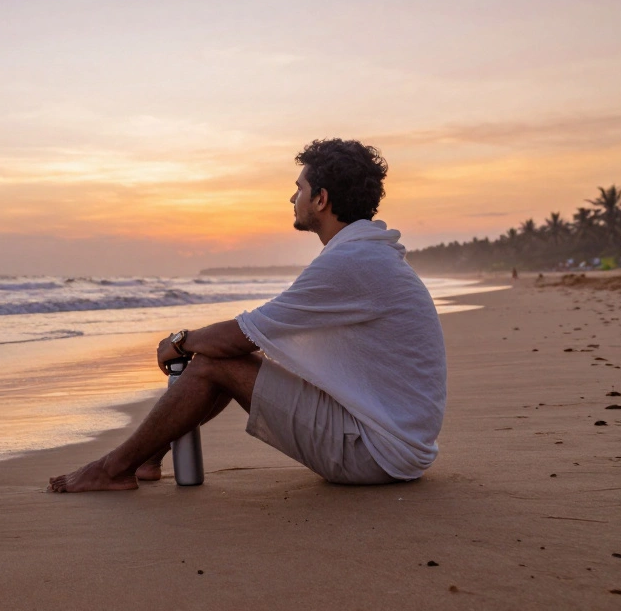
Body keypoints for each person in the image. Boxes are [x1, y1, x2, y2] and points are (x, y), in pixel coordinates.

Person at [48, 139, 446, 492]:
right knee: (222, 357)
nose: (292, 199)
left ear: (321, 199)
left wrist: (179, 341)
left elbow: (241, 337)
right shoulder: (366, 253)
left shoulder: (352, 260)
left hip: (375, 453)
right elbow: (255, 332)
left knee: (211, 363)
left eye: (299, 189)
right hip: (393, 441)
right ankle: (148, 459)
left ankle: (113, 468)